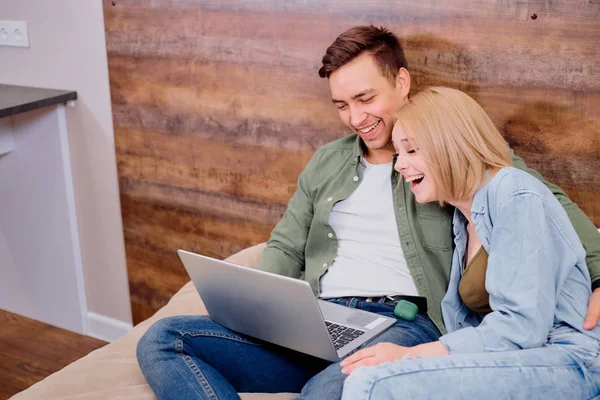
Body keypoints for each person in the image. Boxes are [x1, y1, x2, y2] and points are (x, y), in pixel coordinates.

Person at [136, 26, 600, 400]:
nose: (356, 118)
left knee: (332, 389)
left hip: (400, 324)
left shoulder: (453, 158)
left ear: (401, 81)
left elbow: (545, 212)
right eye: (342, 105)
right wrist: (261, 312)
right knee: (163, 339)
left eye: (365, 99)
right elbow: (285, 244)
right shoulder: (327, 161)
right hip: (316, 319)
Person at [340, 87, 600, 399]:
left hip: (568, 358)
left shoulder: (514, 192)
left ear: (449, 145)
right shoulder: (463, 218)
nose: (399, 166)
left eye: (411, 151)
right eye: (398, 154)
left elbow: (523, 328)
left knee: (371, 383)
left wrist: (411, 355)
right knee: (370, 375)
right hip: (524, 357)